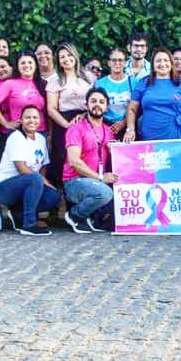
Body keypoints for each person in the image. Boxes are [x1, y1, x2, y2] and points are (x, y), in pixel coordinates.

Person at [0, 105, 61, 235]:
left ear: (40, 121)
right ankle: (29, 224)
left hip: (25, 184)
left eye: (35, 117)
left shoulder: (40, 138)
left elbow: (43, 166)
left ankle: (18, 214)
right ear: (21, 120)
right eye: (27, 117)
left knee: (53, 196)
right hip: (1, 187)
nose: (31, 120)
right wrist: (40, 180)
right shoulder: (16, 137)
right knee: (34, 179)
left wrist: (46, 184)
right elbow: (22, 168)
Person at [62, 88, 118, 233]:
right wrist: (101, 177)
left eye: (101, 102)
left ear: (106, 107)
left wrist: (114, 150)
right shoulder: (76, 128)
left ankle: (92, 218)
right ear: (86, 105)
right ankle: (75, 215)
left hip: (96, 181)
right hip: (75, 181)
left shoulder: (108, 130)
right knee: (104, 193)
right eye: (93, 101)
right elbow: (74, 161)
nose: (97, 105)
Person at [123, 49, 181, 143]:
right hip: (149, 137)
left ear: (171, 63)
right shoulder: (143, 83)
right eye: (158, 61)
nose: (162, 64)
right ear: (153, 66)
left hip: (176, 138)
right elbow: (132, 109)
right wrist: (130, 130)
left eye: (166, 60)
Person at [46, 42, 93, 185]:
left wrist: (86, 115)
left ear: (75, 56)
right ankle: (62, 195)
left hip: (86, 119)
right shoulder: (54, 80)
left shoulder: (89, 76)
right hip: (64, 121)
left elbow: (95, 99)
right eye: (62, 57)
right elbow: (51, 108)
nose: (66, 59)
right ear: (58, 61)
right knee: (63, 157)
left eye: (69, 55)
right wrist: (67, 125)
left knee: (86, 155)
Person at [0, 52, 47, 133]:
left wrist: (50, 133)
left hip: (41, 132)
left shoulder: (42, 84)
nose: (26, 65)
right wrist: (5, 123)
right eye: (23, 63)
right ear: (18, 67)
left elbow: (48, 112)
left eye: (30, 62)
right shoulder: (10, 83)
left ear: (35, 65)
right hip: (20, 132)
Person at [95, 47, 133, 137]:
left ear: (125, 63)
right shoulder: (100, 84)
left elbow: (137, 108)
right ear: (109, 62)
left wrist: (124, 122)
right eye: (114, 60)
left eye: (120, 60)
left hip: (128, 125)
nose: (117, 63)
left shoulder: (133, 82)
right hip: (105, 125)